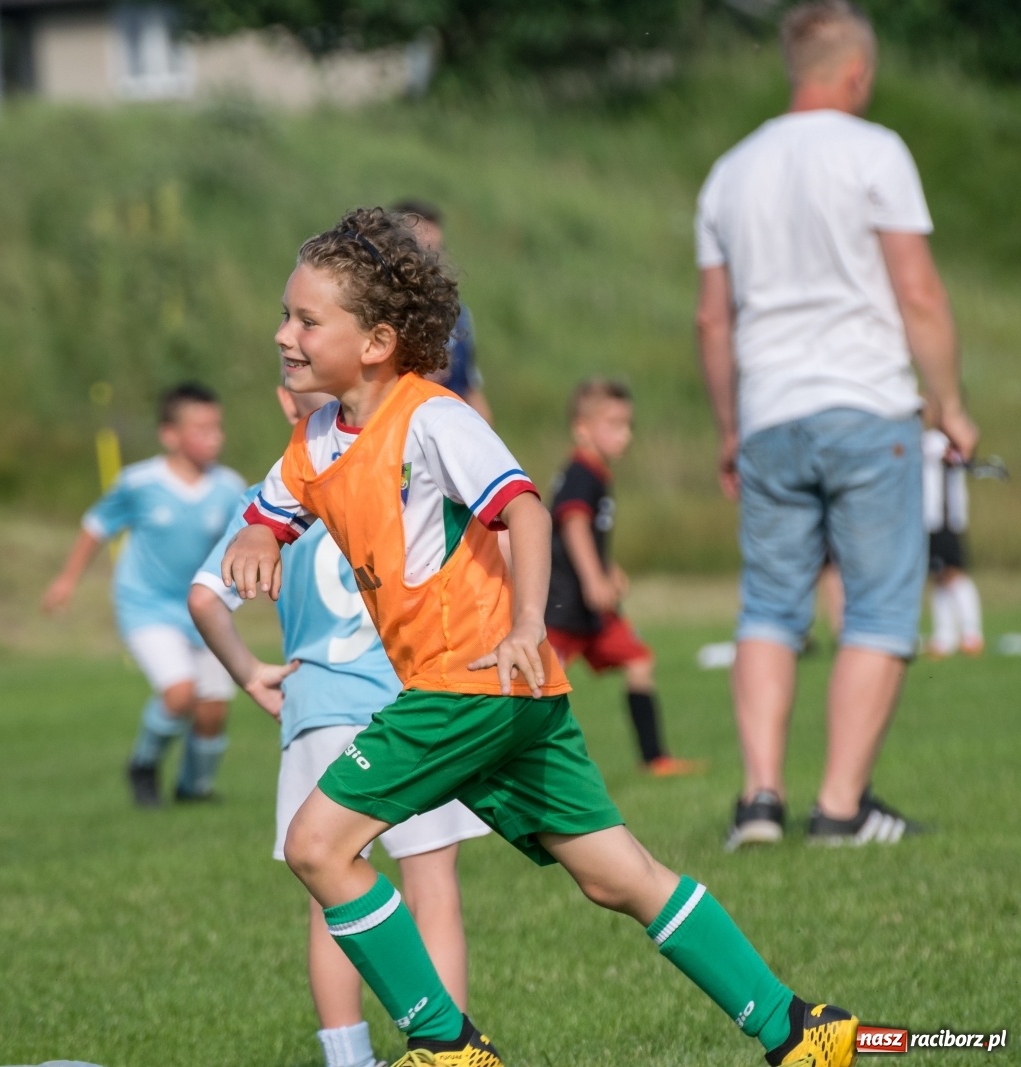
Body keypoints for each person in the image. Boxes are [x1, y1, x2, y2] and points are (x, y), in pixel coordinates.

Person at [221, 207, 859, 1066]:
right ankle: (796, 1028)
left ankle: (445, 1043)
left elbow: (524, 509)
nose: (283, 334)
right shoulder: (317, 440)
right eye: (285, 315)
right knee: (617, 873)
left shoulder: (434, 420)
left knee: (316, 844)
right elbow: (269, 513)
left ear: (375, 341)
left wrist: (527, 622)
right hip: (511, 695)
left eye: (305, 320)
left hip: (469, 681)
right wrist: (257, 538)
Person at [695, 0, 977, 849]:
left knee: (771, 609)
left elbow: (715, 320)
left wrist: (728, 426)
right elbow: (918, 290)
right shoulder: (875, 152)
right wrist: (951, 402)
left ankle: (759, 802)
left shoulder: (729, 170)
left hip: (771, 411)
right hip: (867, 404)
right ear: (856, 72)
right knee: (882, 608)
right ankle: (841, 806)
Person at [190, 383, 489, 1067]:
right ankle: (448, 1053)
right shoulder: (399, 474)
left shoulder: (271, 506)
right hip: (412, 710)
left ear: (282, 398)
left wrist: (249, 672)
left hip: (316, 709)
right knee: (432, 885)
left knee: (334, 891)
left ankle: (348, 1056)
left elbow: (205, 597)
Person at [42, 384, 245, 806]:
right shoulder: (139, 482)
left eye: (217, 427)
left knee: (212, 711)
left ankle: (194, 789)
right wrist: (66, 580)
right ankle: (144, 765)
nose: (214, 436)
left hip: (203, 607)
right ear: (169, 435)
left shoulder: (229, 487)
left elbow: (241, 540)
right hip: (146, 605)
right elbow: (97, 525)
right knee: (179, 694)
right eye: (200, 428)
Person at [546, 378, 703, 777]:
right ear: (583, 428)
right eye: (614, 424)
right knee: (542, 688)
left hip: (589, 609)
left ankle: (655, 759)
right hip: (563, 605)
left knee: (638, 660)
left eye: (627, 424)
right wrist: (594, 578)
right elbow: (574, 524)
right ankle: (535, 766)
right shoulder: (583, 472)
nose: (625, 434)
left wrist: (607, 568)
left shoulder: (595, 471)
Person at [389, 201, 490, 424]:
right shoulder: (380, 314)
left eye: (436, 250)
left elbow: (470, 385)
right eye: (421, 250)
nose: (431, 261)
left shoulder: (459, 315)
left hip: (450, 429)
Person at [922, 418, 982, 658]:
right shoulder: (928, 439)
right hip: (928, 519)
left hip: (946, 519)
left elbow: (957, 456)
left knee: (954, 573)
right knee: (939, 576)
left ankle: (971, 633)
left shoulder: (946, 440)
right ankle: (944, 637)